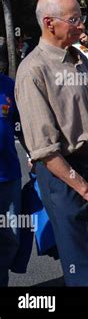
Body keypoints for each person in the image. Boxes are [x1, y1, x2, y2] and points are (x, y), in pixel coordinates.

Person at [15, 0, 88, 286]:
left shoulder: (80, 58)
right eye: (75, 19)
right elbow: (44, 150)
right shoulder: (33, 71)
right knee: (83, 264)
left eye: (81, 18)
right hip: (65, 175)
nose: (82, 27)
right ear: (50, 23)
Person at [0, 74, 21, 286]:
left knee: (10, 237)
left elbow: (22, 125)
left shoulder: (8, 86)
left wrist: (34, 154)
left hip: (8, 175)